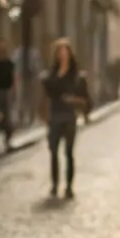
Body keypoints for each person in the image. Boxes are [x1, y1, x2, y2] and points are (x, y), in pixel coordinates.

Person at [41, 38, 90, 199]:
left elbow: (85, 100)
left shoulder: (77, 77)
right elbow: (46, 97)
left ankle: (69, 186)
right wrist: (45, 115)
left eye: (65, 51)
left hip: (69, 116)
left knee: (68, 153)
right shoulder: (51, 76)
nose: (62, 54)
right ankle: (54, 185)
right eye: (59, 51)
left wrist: (73, 100)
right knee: (53, 152)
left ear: (69, 54)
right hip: (55, 116)